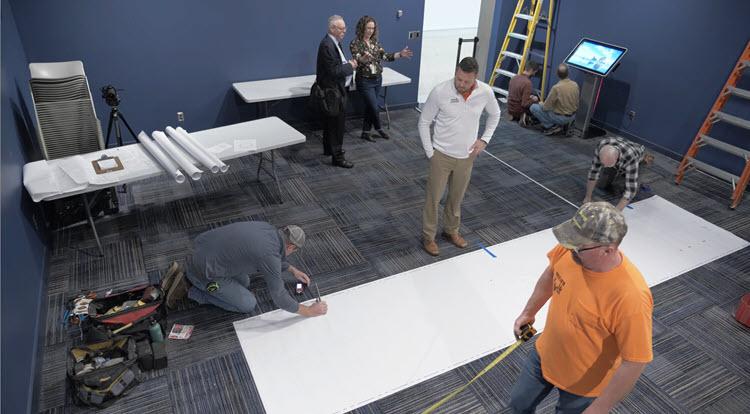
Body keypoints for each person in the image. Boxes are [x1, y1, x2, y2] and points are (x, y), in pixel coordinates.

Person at [510, 202, 653, 414]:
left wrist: (600, 408)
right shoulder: (572, 250)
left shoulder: (631, 297)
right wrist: (529, 312)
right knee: (517, 405)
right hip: (544, 356)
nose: (570, 248)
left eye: (580, 246)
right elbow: (551, 274)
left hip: (584, 385)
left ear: (608, 249)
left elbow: (635, 361)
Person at [418, 57, 501, 256]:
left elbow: (495, 114)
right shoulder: (440, 91)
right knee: (433, 199)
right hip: (441, 155)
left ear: (475, 78)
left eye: (466, 81)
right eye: (459, 79)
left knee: (456, 198)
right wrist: (431, 153)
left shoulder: (485, 92)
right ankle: (428, 236)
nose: (461, 84)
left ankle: (451, 231)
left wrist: (485, 140)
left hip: (467, 157)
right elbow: (423, 121)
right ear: (456, 72)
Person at [166, 222, 328, 317]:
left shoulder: (267, 228)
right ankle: (190, 288)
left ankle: (187, 273)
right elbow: (279, 297)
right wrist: (309, 311)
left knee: (245, 281)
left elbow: (270, 256)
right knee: (247, 304)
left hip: (200, 250)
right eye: (294, 250)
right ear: (291, 246)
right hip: (202, 272)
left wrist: (292, 270)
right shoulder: (269, 256)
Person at [349, 16, 413, 142]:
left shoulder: (375, 43)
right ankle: (378, 128)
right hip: (364, 80)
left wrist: (400, 54)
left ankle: (366, 132)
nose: (370, 31)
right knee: (374, 106)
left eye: (372, 28)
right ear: (362, 28)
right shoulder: (355, 43)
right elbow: (357, 58)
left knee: (369, 106)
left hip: (377, 79)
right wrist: (363, 59)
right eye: (368, 28)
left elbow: (385, 56)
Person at [316, 15, 358, 168]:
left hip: (336, 90)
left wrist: (350, 64)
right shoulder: (327, 45)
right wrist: (351, 66)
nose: (344, 31)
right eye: (341, 28)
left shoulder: (334, 43)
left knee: (330, 123)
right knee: (336, 126)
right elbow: (334, 71)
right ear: (332, 29)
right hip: (333, 93)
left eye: (345, 28)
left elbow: (337, 65)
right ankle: (338, 158)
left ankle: (329, 150)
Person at [584, 136, 654, 211]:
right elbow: (593, 173)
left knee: (632, 189)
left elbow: (630, 191)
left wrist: (616, 212)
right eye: (603, 164)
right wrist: (587, 197)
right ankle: (617, 170)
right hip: (619, 153)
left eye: (609, 165)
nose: (605, 166)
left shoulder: (631, 157)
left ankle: (646, 157)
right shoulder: (602, 146)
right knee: (602, 184)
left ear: (617, 158)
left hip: (637, 156)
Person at [529, 63, 579, 135]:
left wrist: (540, 103)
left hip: (561, 118)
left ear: (557, 74)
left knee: (533, 107)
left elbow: (546, 107)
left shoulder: (556, 88)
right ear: (568, 73)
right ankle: (566, 124)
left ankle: (551, 126)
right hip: (573, 116)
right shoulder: (575, 85)